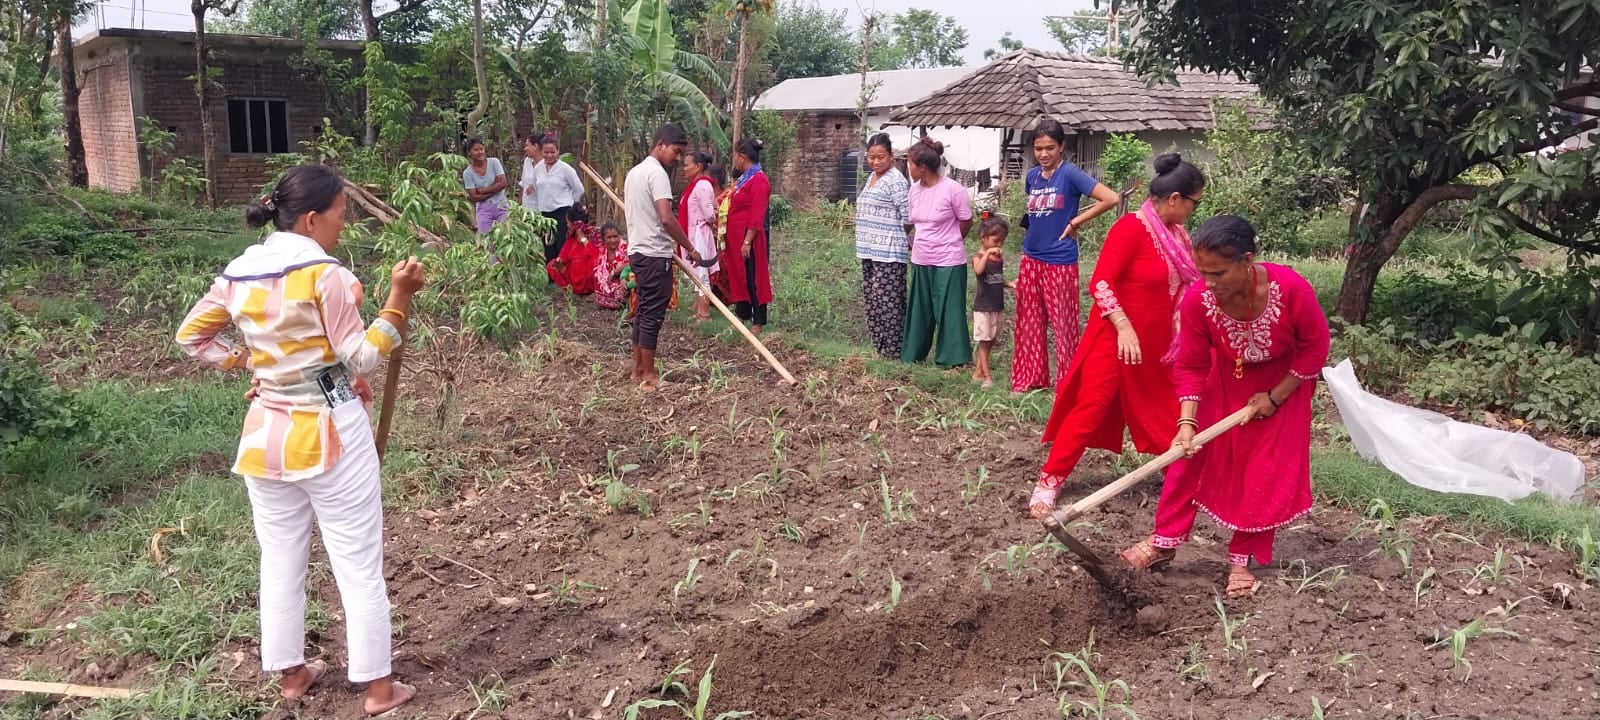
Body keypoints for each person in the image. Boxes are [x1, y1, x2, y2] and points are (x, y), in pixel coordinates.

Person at [174, 164, 423, 716]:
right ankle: (379, 688)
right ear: (312, 219)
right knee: (356, 558)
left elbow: (191, 336)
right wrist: (398, 300)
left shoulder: (239, 272)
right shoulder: (323, 274)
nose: (344, 227)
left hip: (266, 435)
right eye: (340, 216)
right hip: (331, 436)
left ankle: (292, 673)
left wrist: (248, 363)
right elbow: (360, 355)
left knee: (280, 557)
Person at [1119, 215, 1331, 599]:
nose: (1209, 282)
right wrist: (1186, 422)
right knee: (1188, 458)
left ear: (1247, 261)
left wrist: (1275, 396)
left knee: (1262, 468)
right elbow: (1192, 364)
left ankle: (1242, 559)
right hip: (1224, 378)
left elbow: (1316, 348)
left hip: (1284, 382)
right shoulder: (1200, 301)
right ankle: (1163, 542)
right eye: (1203, 272)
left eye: (1218, 273)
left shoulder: (1291, 289)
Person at [1029, 154, 1208, 517]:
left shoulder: (1178, 237)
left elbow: (1186, 289)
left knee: (1165, 411)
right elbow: (1101, 282)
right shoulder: (1131, 228)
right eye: (1195, 202)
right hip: (1115, 340)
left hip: (1157, 345)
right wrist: (1124, 326)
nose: (1194, 209)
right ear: (1175, 199)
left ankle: (1183, 479)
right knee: (1089, 409)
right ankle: (1050, 479)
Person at [1011, 119, 1121, 395]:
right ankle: (1030, 378)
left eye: (1050, 148)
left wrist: (1075, 222)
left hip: (1059, 259)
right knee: (1029, 321)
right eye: (1038, 149)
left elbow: (1111, 198)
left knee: (1064, 323)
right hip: (1031, 257)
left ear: (1061, 146)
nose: (1044, 154)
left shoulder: (1070, 174)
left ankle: (1068, 383)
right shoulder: (1033, 176)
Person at [624, 123, 702, 391]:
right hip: (655, 255)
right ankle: (649, 376)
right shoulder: (656, 174)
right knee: (652, 316)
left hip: (638, 251)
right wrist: (690, 248)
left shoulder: (635, 172)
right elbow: (667, 218)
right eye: (676, 151)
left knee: (644, 312)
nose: (678, 158)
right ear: (660, 145)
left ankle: (637, 371)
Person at [901, 136, 974, 367]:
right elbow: (913, 221)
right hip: (921, 258)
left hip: (949, 259)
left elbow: (966, 221)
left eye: (910, 163)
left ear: (922, 167)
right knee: (920, 309)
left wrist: (950, 241)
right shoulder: (914, 190)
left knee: (949, 309)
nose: (908, 167)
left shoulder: (953, 190)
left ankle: (952, 358)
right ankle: (914, 354)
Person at [854, 132, 913, 358]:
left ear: (890, 155)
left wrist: (896, 236)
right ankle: (880, 348)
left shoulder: (896, 180)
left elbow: (908, 217)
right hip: (869, 249)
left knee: (889, 303)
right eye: (871, 157)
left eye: (880, 157)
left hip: (889, 252)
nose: (876, 162)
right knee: (873, 301)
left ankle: (894, 351)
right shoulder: (872, 178)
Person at [724, 138, 773, 333]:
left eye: (735, 155)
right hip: (736, 237)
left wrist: (747, 241)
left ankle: (758, 321)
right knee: (740, 275)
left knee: (753, 276)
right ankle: (742, 313)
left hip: (749, 237)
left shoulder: (759, 180)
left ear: (742, 157)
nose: (734, 159)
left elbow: (757, 214)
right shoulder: (745, 178)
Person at [523, 133, 586, 273]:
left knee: (562, 245)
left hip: (562, 212)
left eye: (553, 152)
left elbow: (579, 189)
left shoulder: (565, 169)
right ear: (542, 152)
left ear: (558, 151)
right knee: (548, 245)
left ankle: (567, 276)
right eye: (546, 152)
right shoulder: (538, 168)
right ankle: (552, 275)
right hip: (544, 213)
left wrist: (572, 206)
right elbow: (537, 185)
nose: (549, 155)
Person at [970, 217, 1014, 388]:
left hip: (996, 305)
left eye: (1002, 241)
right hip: (983, 306)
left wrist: (1010, 283)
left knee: (991, 340)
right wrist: (987, 254)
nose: (999, 245)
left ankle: (978, 373)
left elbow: (997, 278)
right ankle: (987, 377)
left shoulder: (998, 258)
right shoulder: (978, 257)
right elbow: (978, 270)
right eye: (996, 241)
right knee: (983, 340)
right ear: (983, 237)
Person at [678, 150, 721, 322]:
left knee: (701, 272)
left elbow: (710, 214)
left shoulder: (703, 186)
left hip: (699, 234)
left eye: (687, 165)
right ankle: (699, 310)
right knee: (696, 272)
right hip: (693, 233)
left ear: (698, 166)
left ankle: (704, 314)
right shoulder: (695, 185)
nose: (684, 168)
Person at [462, 137, 509, 247]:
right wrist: (496, 188)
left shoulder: (494, 162)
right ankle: (493, 264)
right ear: (469, 153)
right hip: (483, 210)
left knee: (506, 238)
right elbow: (474, 197)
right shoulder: (467, 173)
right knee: (488, 242)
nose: (480, 152)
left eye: (481, 149)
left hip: (501, 206)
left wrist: (482, 190)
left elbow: (503, 183)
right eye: (476, 150)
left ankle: (507, 264)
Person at [545, 205, 601, 295]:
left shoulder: (594, 235)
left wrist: (583, 239)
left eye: (568, 223)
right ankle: (571, 290)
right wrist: (559, 261)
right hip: (573, 280)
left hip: (589, 281)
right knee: (552, 264)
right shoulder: (571, 239)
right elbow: (562, 256)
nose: (567, 226)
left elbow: (597, 256)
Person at [593, 222, 629, 310]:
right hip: (609, 283)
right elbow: (599, 272)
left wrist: (615, 272)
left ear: (619, 236)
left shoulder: (626, 248)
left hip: (624, 280)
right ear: (603, 239)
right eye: (609, 237)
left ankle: (625, 302)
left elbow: (633, 263)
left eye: (615, 236)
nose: (613, 240)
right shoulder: (601, 252)